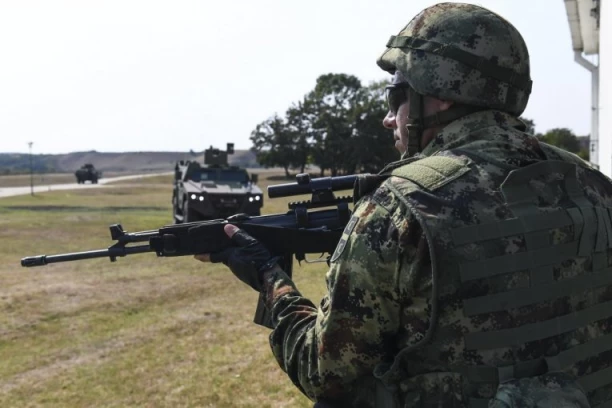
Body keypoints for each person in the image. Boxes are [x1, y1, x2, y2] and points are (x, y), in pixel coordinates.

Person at [197, 3, 612, 407]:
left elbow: (322, 371)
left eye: (395, 95)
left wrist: (272, 282)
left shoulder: (401, 207)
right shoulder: (595, 185)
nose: (389, 116)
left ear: (442, 93)